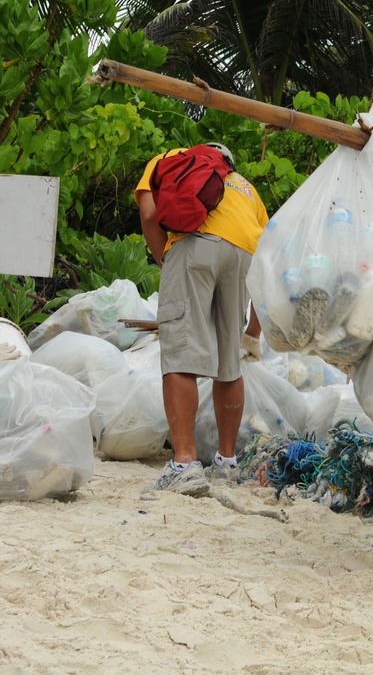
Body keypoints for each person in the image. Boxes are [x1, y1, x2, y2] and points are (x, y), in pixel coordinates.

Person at [135, 143, 270, 496]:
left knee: (181, 353)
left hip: (194, 244)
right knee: (229, 362)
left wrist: (167, 259)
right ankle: (226, 462)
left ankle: (184, 463)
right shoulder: (246, 188)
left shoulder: (167, 160)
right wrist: (253, 331)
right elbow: (267, 255)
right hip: (243, 258)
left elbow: (150, 215)